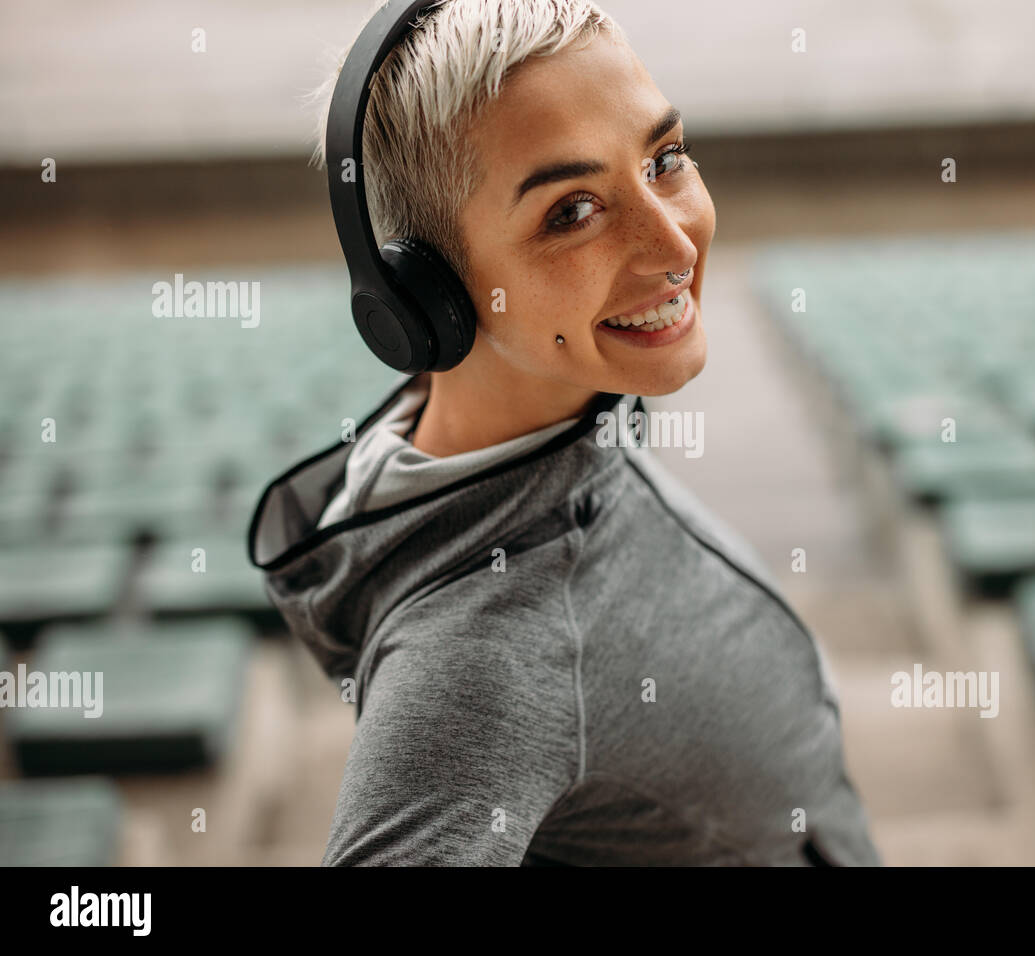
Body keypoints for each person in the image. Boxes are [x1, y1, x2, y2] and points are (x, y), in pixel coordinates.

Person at [248, 0, 881, 865]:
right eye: (572, 211)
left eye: (666, 159)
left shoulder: (562, 415)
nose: (674, 244)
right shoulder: (479, 668)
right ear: (427, 299)